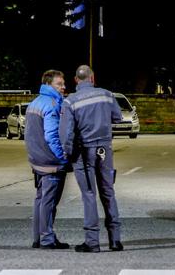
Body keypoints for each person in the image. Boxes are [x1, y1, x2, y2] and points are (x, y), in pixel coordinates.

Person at [60, 65, 124, 252]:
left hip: (84, 151)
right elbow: (118, 118)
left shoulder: (70, 101)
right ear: (93, 78)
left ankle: (92, 241)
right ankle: (115, 240)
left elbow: (66, 134)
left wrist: (67, 155)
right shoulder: (107, 95)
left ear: (76, 80)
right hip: (105, 149)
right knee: (108, 192)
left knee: (89, 195)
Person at [25, 69, 70, 250]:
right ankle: (47, 239)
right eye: (59, 84)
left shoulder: (34, 102)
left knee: (40, 199)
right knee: (49, 202)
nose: (63, 87)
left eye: (63, 83)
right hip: (50, 161)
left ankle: (38, 237)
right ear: (48, 84)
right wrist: (62, 156)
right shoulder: (52, 104)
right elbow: (52, 135)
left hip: (36, 158)